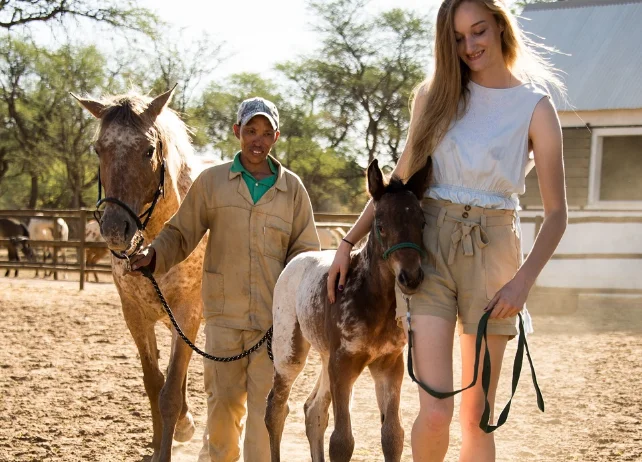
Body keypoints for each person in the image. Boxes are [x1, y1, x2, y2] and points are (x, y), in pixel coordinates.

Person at [327, 0, 567, 460]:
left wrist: (522, 282)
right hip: (431, 246)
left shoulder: (535, 108)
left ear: (499, 25)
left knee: (477, 414)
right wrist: (347, 242)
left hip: (494, 251)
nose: (470, 46)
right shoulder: (434, 98)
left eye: (478, 31)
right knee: (435, 412)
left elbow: (557, 214)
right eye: (457, 38)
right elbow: (396, 184)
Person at [130, 96, 320, 462]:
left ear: (276, 137)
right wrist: (155, 254)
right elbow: (180, 233)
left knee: (266, 419)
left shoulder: (293, 189)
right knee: (221, 412)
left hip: (272, 325)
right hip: (223, 321)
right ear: (237, 132)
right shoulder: (212, 182)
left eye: (266, 133)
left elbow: (305, 254)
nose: (257, 140)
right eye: (250, 130)